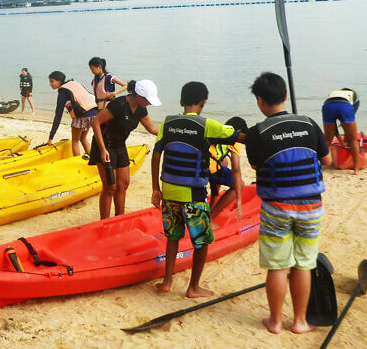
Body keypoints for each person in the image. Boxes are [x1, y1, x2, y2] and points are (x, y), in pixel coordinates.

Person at [245, 72, 331, 335]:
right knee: (304, 264)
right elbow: (327, 161)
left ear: (260, 101)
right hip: (311, 208)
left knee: (278, 265)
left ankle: (274, 322)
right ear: (284, 96)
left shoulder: (255, 134)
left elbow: (256, 165)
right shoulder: (310, 124)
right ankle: (300, 321)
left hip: (277, 208)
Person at [151, 81, 242, 298]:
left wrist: (156, 188)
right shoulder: (207, 125)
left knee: (173, 237)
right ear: (203, 103)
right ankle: (193, 288)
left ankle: (166, 282)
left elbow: (156, 155)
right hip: (194, 194)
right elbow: (237, 136)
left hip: (169, 191)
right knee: (201, 241)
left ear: (181, 102)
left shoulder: (167, 122)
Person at [91, 80, 161, 219]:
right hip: (104, 146)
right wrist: (103, 150)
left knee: (123, 184)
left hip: (120, 146)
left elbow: (153, 129)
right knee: (110, 187)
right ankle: (103, 222)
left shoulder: (141, 109)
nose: (149, 103)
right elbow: (96, 122)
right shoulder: (119, 105)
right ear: (139, 96)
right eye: (147, 100)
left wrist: (173, 132)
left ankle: (119, 218)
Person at [46, 71, 105, 157]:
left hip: (82, 117)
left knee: (75, 141)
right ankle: (92, 158)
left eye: (52, 81)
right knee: (83, 138)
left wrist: (51, 137)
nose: (50, 84)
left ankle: (77, 161)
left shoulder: (63, 92)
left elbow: (58, 115)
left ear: (59, 81)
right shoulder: (73, 83)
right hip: (93, 113)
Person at [208, 117, 247, 219]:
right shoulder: (234, 137)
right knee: (240, 184)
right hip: (209, 170)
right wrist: (238, 199)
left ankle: (212, 204)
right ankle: (211, 217)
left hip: (197, 166)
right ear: (239, 132)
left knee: (224, 162)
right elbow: (236, 168)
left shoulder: (218, 130)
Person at [321, 88, 361, 173]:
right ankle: (356, 169)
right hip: (344, 106)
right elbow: (347, 123)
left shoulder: (334, 94)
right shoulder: (355, 99)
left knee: (327, 140)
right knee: (353, 140)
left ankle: (318, 165)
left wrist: (339, 139)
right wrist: (346, 138)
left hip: (327, 106)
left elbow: (334, 125)